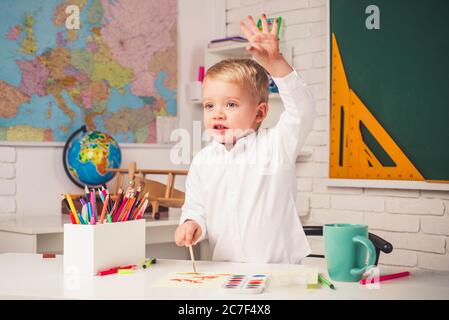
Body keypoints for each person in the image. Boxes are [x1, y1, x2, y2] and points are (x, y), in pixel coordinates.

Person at [174, 14, 317, 263]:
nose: (217, 113)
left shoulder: (276, 146)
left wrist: (276, 63)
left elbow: (303, 111)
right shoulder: (203, 161)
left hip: (280, 272)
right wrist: (191, 223)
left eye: (230, 104)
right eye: (209, 105)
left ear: (260, 112)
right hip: (226, 272)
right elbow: (196, 207)